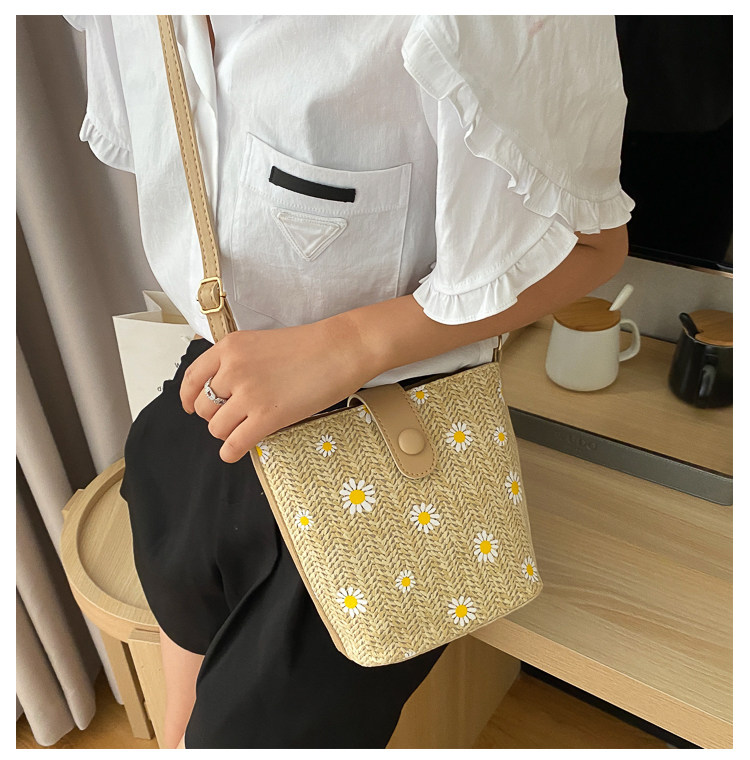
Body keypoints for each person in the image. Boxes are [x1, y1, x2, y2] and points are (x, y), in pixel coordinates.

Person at [63, 14, 634, 749]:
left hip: (383, 461)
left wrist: (351, 344)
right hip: (208, 408)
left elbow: (590, 246)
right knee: (184, 715)